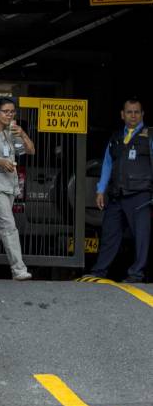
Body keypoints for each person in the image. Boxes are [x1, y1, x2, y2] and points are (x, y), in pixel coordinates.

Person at [89, 99, 152, 283]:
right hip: (117, 194)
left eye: (137, 112)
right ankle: (99, 271)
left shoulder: (150, 136)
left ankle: (136, 274)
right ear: (122, 114)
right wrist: (101, 190)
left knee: (141, 237)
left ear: (142, 114)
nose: (133, 115)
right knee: (109, 234)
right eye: (129, 112)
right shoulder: (115, 137)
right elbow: (107, 164)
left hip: (141, 195)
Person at [0, 98, 34, 281]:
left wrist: (22, 134)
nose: (9, 115)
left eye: (12, 112)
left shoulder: (12, 131)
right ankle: (19, 269)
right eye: (6, 112)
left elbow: (30, 151)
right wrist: (0, 161)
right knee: (8, 226)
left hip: (10, 186)